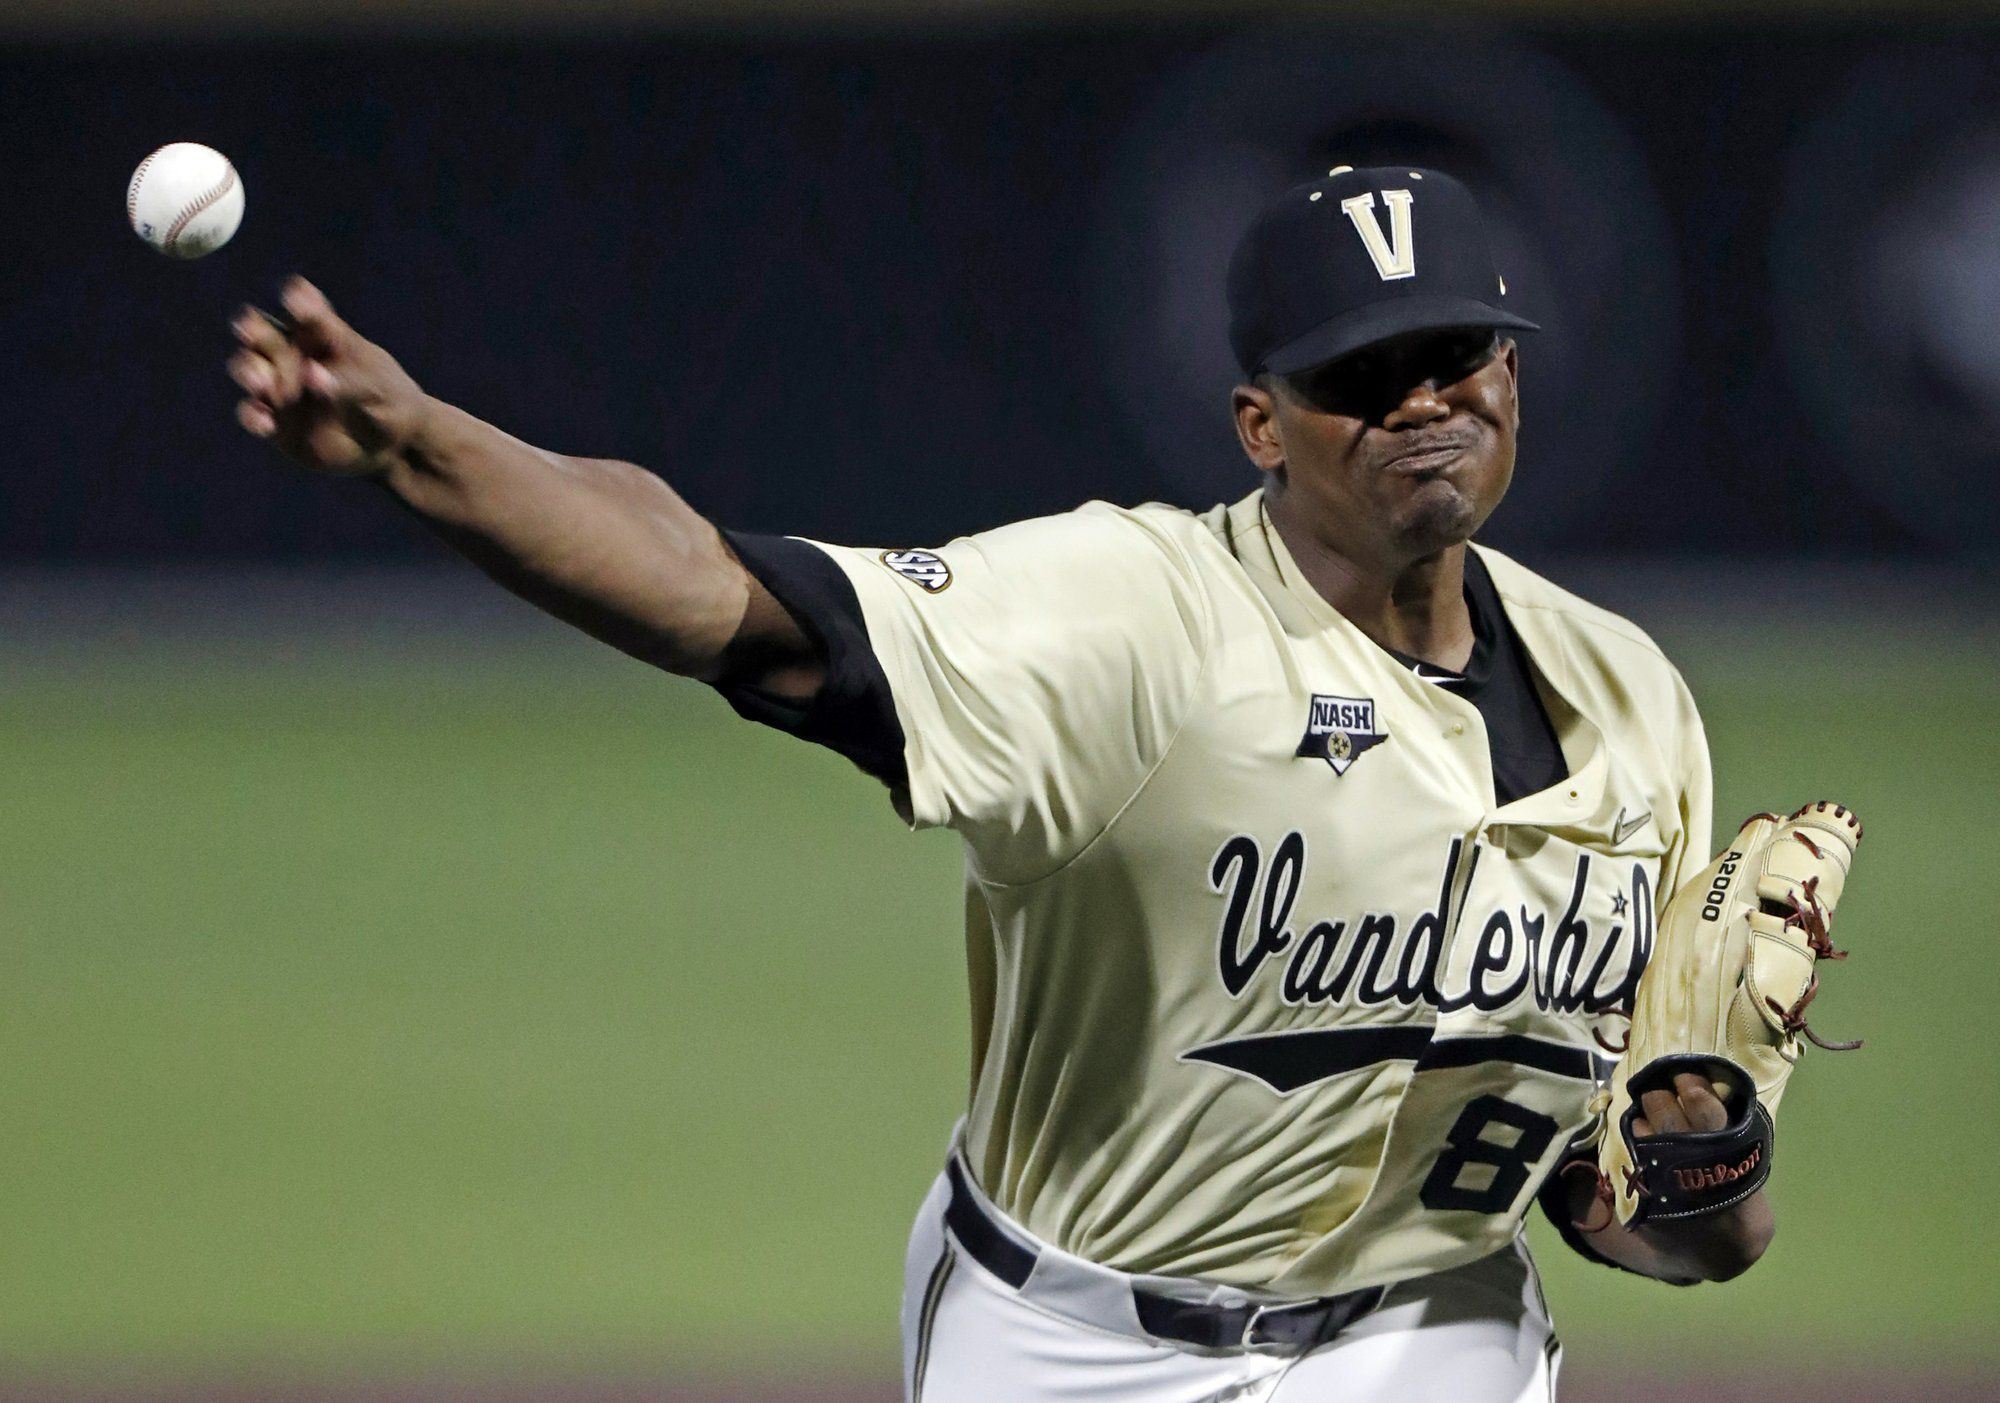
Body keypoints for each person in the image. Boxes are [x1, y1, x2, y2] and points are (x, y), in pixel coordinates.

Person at [225, 165, 1771, 1402]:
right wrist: (420, 449)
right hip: (1077, 1343)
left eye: (1458, 355)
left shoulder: (1638, 707)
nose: (1425, 402)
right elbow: (725, 597)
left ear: (1513, 374)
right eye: (1364, 377)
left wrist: (1709, 1170)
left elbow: (1665, 1218)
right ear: (1260, 426)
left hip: (1430, 1338)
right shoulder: (1130, 619)